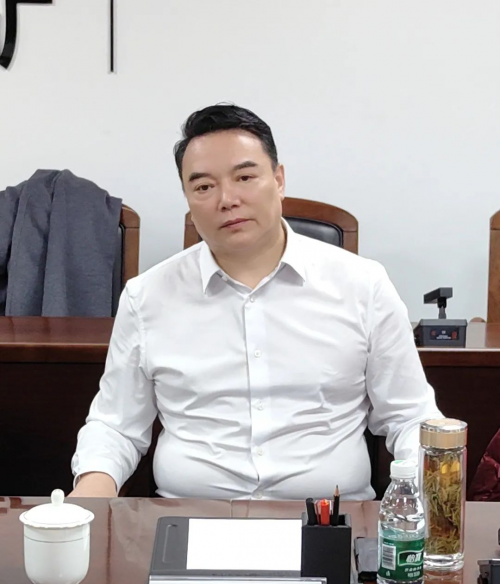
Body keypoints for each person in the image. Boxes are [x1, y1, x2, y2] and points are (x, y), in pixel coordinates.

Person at [70, 103, 441, 500]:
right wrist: (90, 494)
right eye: (204, 187)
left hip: (331, 520)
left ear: (278, 180)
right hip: (189, 517)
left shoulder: (363, 285)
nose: (227, 199)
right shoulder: (146, 297)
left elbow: (409, 416)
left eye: (244, 177)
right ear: (189, 200)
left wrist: (431, 502)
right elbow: (116, 425)